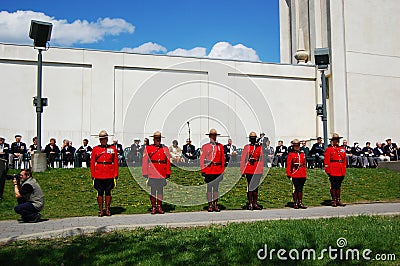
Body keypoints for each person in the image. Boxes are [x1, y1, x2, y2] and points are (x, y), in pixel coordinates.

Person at [90, 130, 118, 217]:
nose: (103, 140)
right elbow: (92, 162)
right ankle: (101, 210)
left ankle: (108, 209)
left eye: (105, 139)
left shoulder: (112, 149)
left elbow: (116, 161)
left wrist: (115, 173)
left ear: (107, 139)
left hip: (109, 172)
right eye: (101, 139)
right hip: (99, 173)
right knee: (100, 192)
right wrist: (93, 174)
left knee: (108, 191)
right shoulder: (95, 149)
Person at [142, 131, 171, 214]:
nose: (158, 140)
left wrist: (168, 172)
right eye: (156, 139)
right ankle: (153, 207)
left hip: (161, 171)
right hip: (152, 171)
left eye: (159, 139)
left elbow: (168, 161)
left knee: (160, 190)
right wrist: (145, 172)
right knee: (153, 190)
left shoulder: (165, 148)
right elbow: (145, 161)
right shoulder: (149, 148)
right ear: (153, 139)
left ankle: (159, 206)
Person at [200, 129, 225, 212]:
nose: (213, 137)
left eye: (215, 135)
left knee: (216, 188)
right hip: (209, 169)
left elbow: (222, 160)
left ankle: (215, 204)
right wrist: (203, 170)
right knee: (209, 188)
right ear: (209, 136)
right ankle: (210, 205)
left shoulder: (220, 146)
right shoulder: (205, 146)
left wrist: (222, 170)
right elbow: (202, 159)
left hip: (217, 169)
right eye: (212, 135)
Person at [240, 132, 264, 210]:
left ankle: (255, 203)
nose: (253, 140)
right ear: (250, 139)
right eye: (252, 138)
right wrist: (242, 170)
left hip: (257, 169)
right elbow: (243, 159)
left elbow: (261, 159)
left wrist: (261, 170)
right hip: (249, 169)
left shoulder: (259, 147)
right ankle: (250, 203)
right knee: (250, 187)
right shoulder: (247, 147)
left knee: (256, 187)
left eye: (254, 138)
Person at [324, 133, 347, 207]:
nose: (336, 141)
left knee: (338, 185)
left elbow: (344, 160)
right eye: (335, 140)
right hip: (333, 168)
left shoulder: (342, 149)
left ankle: (338, 200)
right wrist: (327, 170)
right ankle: (333, 200)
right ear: (332, 141)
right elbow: (326, 161)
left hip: (340, 169)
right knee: (333, 185)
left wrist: (344, 169)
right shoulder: (329, 149)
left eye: (337, 140)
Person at [286, 139, 307, 209]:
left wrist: (305, 173)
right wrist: (289, 173)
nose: (297, 147)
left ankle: (300, 202)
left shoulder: (302, 154)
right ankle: (295, 202)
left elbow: (304, 164)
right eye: (295, 146)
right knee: (295, 189)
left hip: (302, 173)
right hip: (295, 173)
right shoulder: (291, 154)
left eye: (298, 145)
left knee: (300, 189)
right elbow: (289, 165)